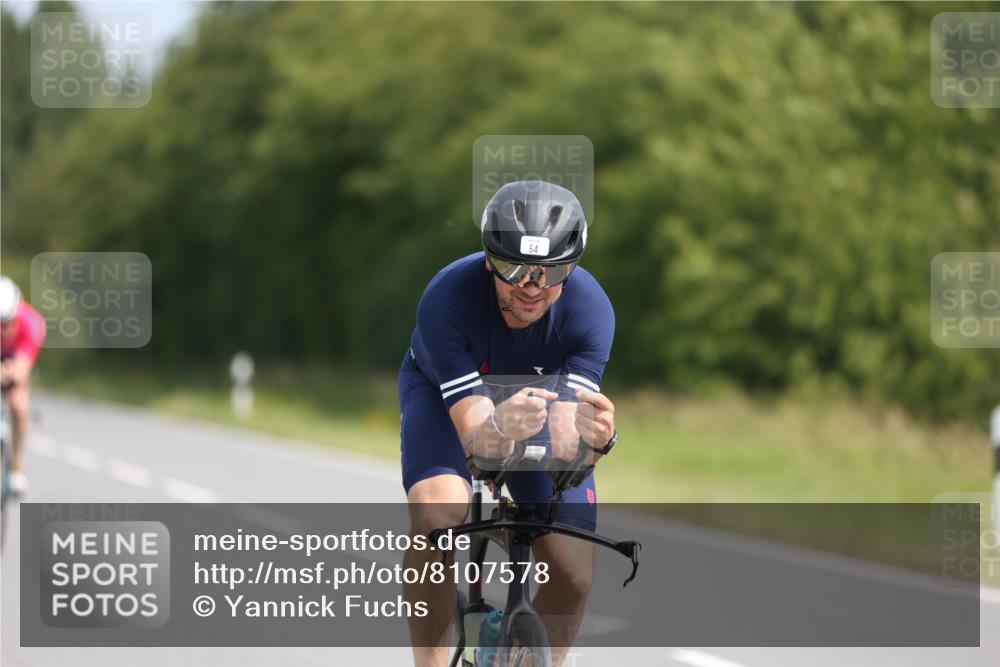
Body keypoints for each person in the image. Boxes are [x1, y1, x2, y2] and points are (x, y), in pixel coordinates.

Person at [399, 181, 618, 666]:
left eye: (551, 271)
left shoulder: (590, 311)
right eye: (512, 267)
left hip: (539, 404)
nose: (531, 287)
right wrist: (499, 427)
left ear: (573, 268)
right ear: (487, 260)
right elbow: (476, 440)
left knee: (574, 572)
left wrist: (597, 440)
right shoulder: (447, 299)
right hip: (447, 400)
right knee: (436, 519)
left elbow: (565, 441)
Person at [0, 276, 46, 496]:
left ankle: (17, 465)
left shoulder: (32, 322)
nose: (4, 329)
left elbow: (22, 367)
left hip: (16, 359)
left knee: (19, 405)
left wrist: (11, 373)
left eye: (7, 322)